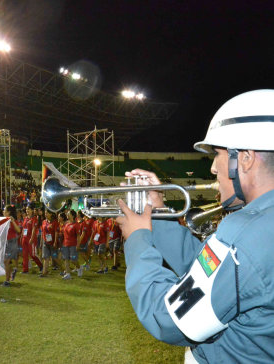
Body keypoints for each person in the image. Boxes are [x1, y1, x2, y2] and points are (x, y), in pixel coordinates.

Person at [116, 89, 274, 363]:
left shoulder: (244, 235)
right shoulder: (259, 228)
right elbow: (207, 269)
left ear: (245, 158)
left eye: (218, 154)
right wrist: (159, 213)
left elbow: (169, 318)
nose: (213, 168)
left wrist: (138, 239)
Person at [2, 205, 21, 286]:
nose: (3, 212)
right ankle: (12, 271)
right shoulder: (4, 220)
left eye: (4, 210)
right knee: (7, 261)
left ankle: (7, 281)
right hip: (6, 242)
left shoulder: (13, 220)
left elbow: (18, 230)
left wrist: (12, 221)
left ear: (8, 212)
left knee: (6, 261)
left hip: (12, 242)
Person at [20, 205, 42, 273]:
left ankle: (41, 266)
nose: (27, 211)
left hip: (30, 239)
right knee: (25, 254)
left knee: (33, 254)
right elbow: (23, 228)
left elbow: (34, 229)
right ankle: (25, 270)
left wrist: (32, 238)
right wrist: (21, 237)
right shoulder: (26, 218)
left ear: (32, 210)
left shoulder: (34, 219)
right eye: (26, 209)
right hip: (24, 238)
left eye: (28, 209)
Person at [61, 210, 81, 280]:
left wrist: (78, 245)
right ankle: (68, 274)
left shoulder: (76, 224)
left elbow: (78, 236)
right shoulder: (66, 223)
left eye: (69, 214)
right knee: (66, 259)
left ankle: (79, 267)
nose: (67, 215)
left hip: (73, 244)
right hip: (65, 243)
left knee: (73, 259)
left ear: (72, 215)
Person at [40, 210, 58, 277]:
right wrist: (41, 242)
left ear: (51, 214)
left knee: (55, 258)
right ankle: (44, 272)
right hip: (45, 241)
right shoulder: (44, 222)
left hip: (52, 242)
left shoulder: (55, 222)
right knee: (46, 257)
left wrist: (55, 242)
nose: (46, 214)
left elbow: (56, 232)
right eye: (45, 213)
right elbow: (42, 232)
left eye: (47, 213)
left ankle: (63, 269)